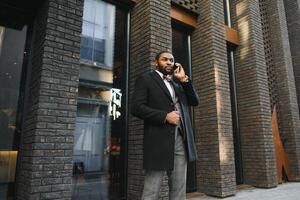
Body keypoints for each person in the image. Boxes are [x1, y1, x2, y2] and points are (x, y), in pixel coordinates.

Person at [131, 51, 199, 200]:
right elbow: (136, 107)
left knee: (179, 188)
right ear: (157, 62)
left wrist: (184, 80)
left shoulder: (178, 83)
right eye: (165, 59)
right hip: (158, 140)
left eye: (171, 60)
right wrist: (164, 116)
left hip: (181, 139)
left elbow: (194, 101)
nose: (168, 62)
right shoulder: (146, 79)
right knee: (152, 189)